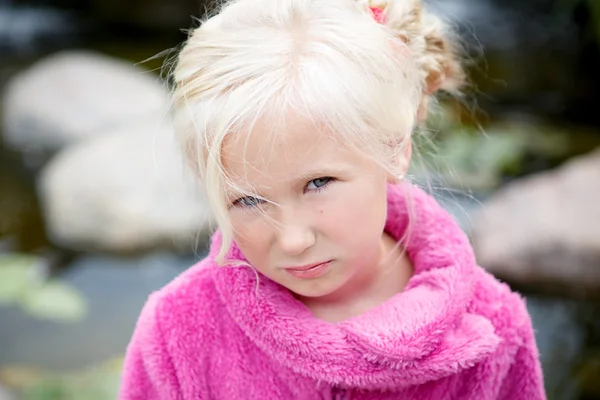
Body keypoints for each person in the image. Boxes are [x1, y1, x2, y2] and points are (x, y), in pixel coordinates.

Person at [118, 0, 546, 398]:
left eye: (318, 183)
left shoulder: (497, 326)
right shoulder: (177, 329)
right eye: (248, 201)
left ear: (395, 148)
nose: (293, 240)